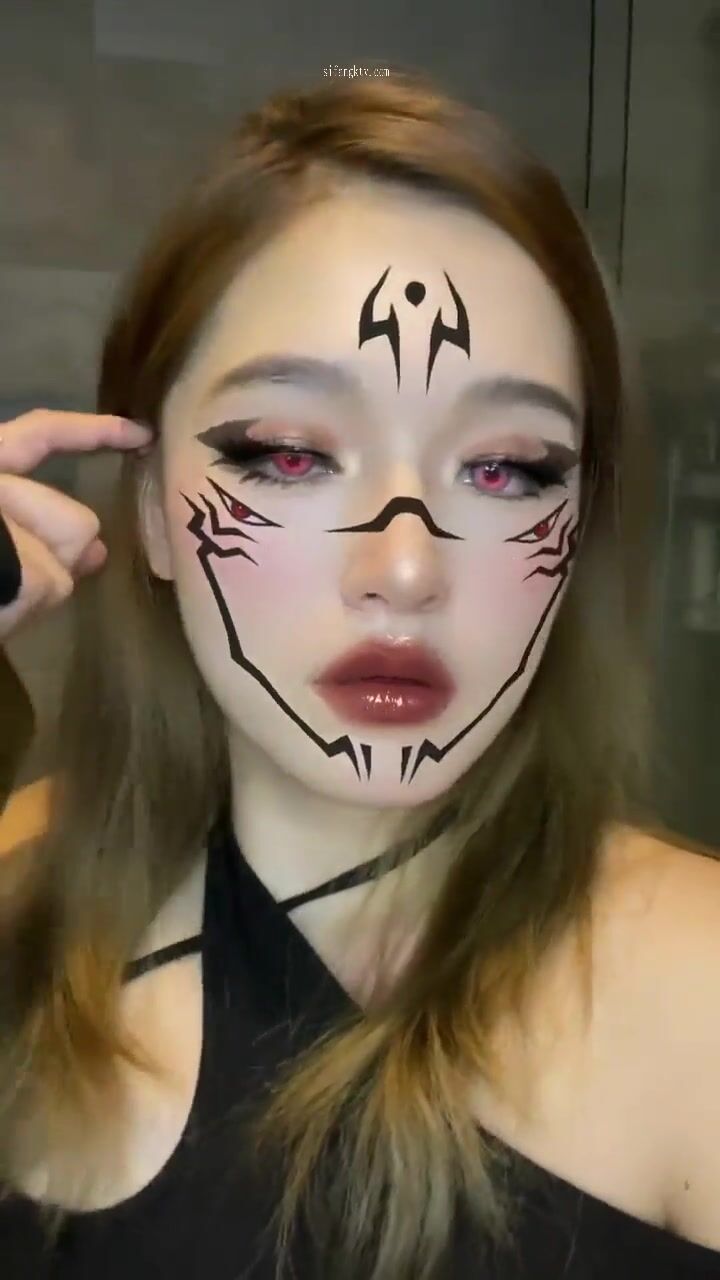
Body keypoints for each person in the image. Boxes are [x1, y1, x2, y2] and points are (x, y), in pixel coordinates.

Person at [0, 73, 718, 1280]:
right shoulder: (29, 887)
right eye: (289, 453)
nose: (405, 568)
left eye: (507, 468)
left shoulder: (702, 993)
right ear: (155, 506)